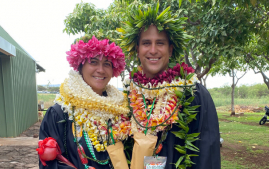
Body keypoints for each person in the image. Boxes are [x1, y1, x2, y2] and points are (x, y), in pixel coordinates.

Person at [121, 4, 221, 169]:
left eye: (160, 43)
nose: (153, 50)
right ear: (137, 50)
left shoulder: (192, 93)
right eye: (146, 43)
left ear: (170, 49)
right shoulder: (128, 94)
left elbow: (207, 156)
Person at [37, 35, 131, 169]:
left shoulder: (122, 109)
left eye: (107, 64)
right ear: (80, 65)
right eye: (93, 62)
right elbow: (49, 165)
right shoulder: (61, 113)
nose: (101, 70)